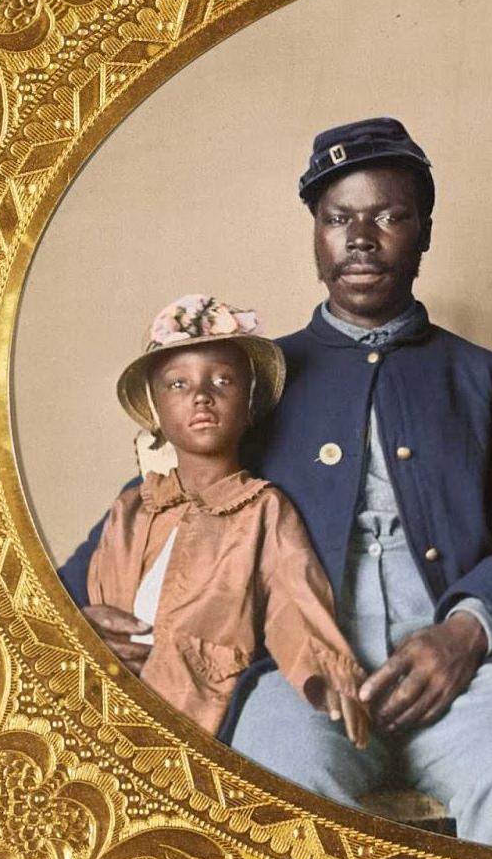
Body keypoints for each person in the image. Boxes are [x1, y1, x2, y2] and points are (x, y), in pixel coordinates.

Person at [62, 120, 492, 850]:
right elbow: (159, 499)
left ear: (425, 233)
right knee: (278, 782)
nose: (362, 237)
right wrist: (76, 617)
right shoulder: (258, 378)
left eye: (390, 216)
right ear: (315, 235)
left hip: (465, 674)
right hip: (296, 675)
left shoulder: (488, 382)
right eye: (340, 219)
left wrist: (466, 634)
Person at [84, 294, 370, 742]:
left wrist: (326, 675)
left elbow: (296, 604)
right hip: (105, 713)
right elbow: (87, 602)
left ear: (250, 404)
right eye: (179, 385)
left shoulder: (262, 510)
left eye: (223, 381)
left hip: (196, 721)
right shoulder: (133, 509)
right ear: (156, 410)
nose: (201, 396)